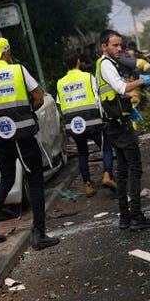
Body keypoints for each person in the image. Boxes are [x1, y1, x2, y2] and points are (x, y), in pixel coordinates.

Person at [0, 37, 60, 250]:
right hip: (23, 136)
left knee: (6, 180)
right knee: (35, 180)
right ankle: (39, 234)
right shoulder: (17, 70)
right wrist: (26, 114)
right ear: (6, 52)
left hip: (1, 138)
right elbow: (38, 97)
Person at [96, 29, 150, 230]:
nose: (119, 48)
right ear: (104, 46)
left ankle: (125, 217)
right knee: (134, 168)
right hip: (119, 127)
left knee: (122, 171)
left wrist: (128, 111)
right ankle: (136, 216)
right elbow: (121, 88)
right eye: (115, 45)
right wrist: (142, 81)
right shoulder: (106, 64)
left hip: (115, 123)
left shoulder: (106, 64)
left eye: (120, 45)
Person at [56, 50, 116, 197]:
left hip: (74, 124)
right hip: (92, 120)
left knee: (82, 153)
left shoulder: (60, 83)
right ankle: (107, 175)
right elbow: (98, 97)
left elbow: (59, 103)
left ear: (64, 64)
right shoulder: (88, 77)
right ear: (78, 61)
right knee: (106, 146)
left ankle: (87, 185)